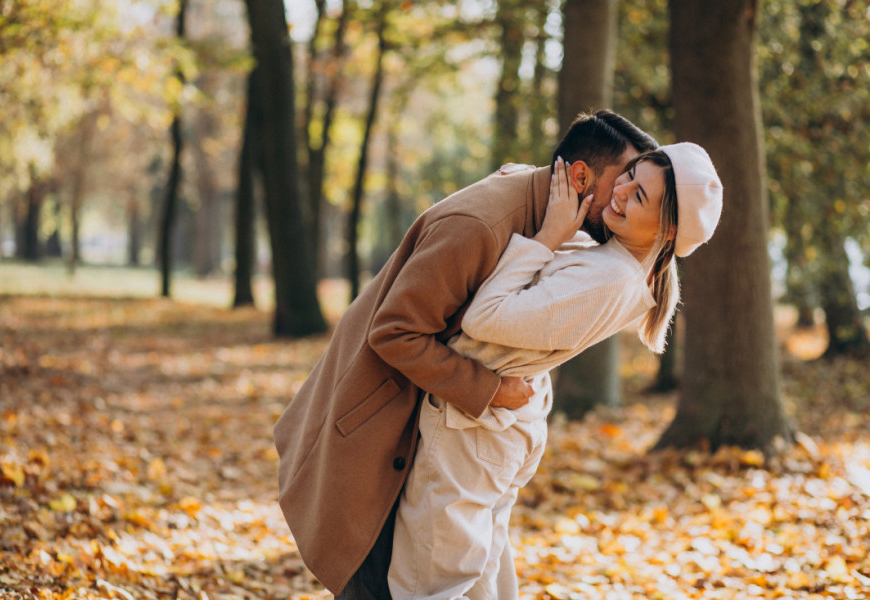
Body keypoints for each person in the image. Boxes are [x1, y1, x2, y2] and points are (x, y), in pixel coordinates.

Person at [273, 110, 657, 599]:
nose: (623, 198)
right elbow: (395, 333)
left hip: (418, 424)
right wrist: (491, 390)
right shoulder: (479, 226)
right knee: (375, 585)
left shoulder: (541, 206)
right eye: (621, 181)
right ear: (579, 176)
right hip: (372, 426)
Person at [386, 143, 723, 599]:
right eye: (629, 176)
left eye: (640, 196)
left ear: (670, 230)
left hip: (471, 434)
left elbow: (484, 318)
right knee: (480, 575)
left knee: (429, 584)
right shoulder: (614, 260)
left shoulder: (607, 278)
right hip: (490, 431)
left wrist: (545, 237)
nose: (619, 192)